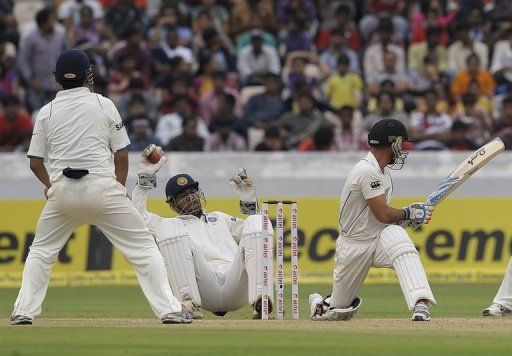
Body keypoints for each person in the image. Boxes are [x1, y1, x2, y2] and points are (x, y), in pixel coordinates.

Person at [10, 49, 191, 325]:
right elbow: (120, 154)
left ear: (56, 79)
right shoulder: (104, 104)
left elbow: (35, 162)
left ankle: (23, 312)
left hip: (63, 195)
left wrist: (50, 187)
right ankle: (170, 310)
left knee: (41, 252)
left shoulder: (46, 111)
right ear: (88, 76)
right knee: (143, 248)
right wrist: (118, 187)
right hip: (103, 190)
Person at [308, 119, 436, 322]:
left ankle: (420, 303)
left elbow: (381, 221)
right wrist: (408, 213)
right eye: (401, 144)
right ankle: (319, 303)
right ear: (393, 143)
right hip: (354, 246)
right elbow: (383, 215)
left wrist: (406, 219)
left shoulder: (383, 172)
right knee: (337, 312)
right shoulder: (366, 171)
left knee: (401, 241)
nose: (402, 150)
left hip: (377, 239)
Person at [133, 145, 274, 319]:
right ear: (172, 205)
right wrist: (146, 177)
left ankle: (261, 298)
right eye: (183, 195)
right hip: (204, 289)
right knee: (170, 229)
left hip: (236, 285)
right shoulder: (169, 224)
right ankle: (189, 304)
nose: (191, 197)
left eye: (193, 191)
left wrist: (249, 202)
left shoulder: (220, 218)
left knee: (259, 220)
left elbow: (257, 234)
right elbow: (137, 216)